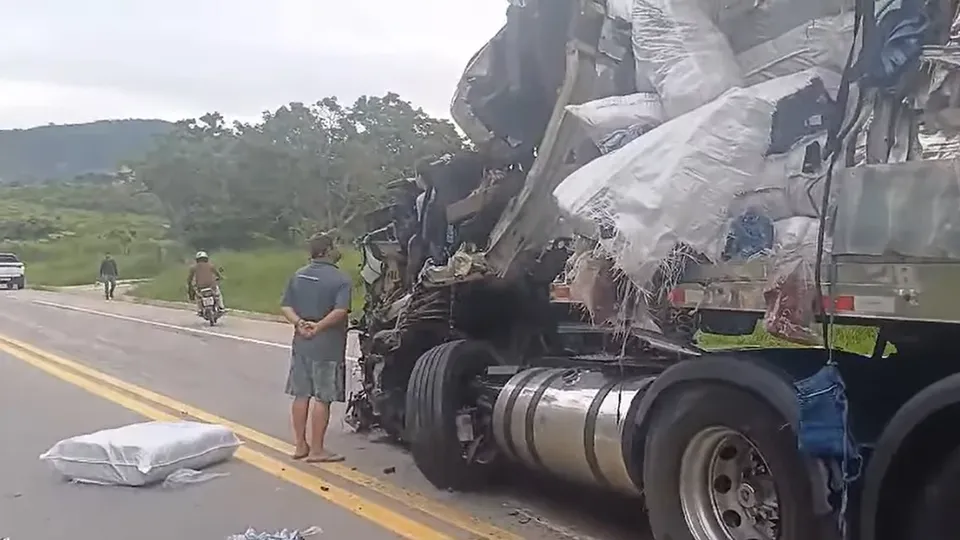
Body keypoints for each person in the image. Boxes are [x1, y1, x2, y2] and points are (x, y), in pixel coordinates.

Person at [280, 233, 352, 463]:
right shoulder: (341, 280)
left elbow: (286, 306)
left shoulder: (298, 276)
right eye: (336, 245)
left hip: (301, 343)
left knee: (301, 395)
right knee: (323, 397)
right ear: (328, 250)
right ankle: (318, 450)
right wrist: (319, 327)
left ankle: (301, 445)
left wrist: (300, 324)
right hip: (328, 345)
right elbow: (340, 311)